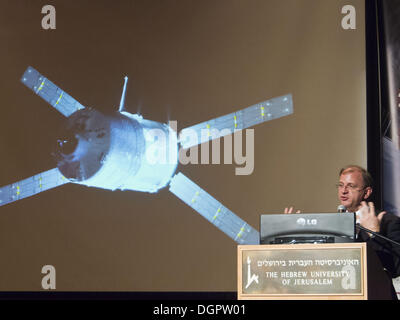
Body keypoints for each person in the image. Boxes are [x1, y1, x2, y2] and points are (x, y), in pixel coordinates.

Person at [285, 165, 400, 298]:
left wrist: (374, 233)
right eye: (340, 185)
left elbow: (395, 268)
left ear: (366, 192)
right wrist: (291, 234)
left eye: (351, 186)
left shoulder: (388, 222)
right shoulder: (330, 225)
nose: (343, 191)